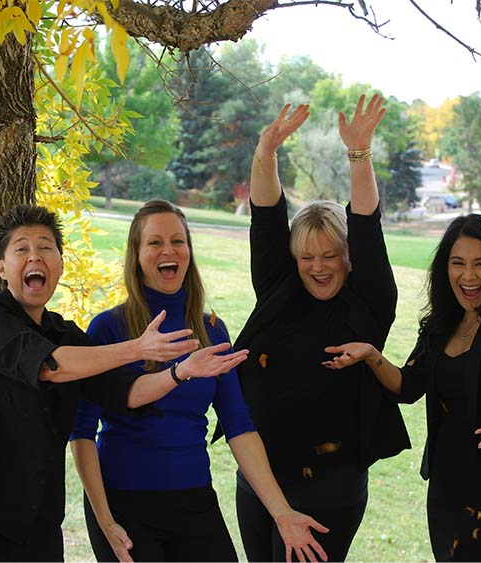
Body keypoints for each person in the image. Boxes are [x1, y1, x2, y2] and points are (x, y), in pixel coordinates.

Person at [0, 204, 249, 562]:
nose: (34, 257)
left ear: (58, 263)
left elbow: (128, 393)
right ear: (1, 268)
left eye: (45, 247)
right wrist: (136, 348)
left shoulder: (65, 334)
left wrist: (180, 372)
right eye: (21, 249)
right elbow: (50, 366)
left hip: (38, 523)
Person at [70, 200, 328, 563]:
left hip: (193, 498)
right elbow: (81, 433)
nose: (168, 250)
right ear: (137, 254)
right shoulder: (108, 328)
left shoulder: (211, 330)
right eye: (155, 242)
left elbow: (239, 427)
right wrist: (104, 519)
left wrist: (282, 512)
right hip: (123, 502)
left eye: (178, 241)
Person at [228, 94, 411, 562]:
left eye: (331, 255)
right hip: (262, 481)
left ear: (348, 259)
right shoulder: (278, 288)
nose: (318, 267)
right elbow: (267, 219)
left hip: (329, 487)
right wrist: (265, 153)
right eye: (307, 257)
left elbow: (367, 226)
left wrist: (359, 154)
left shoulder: (369, 302)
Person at [324, 213, 481, 561]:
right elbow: (407, 387)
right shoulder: (442, 323)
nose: (468, 275)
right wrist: (371, 355)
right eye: (457, 263)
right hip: (447, 481)